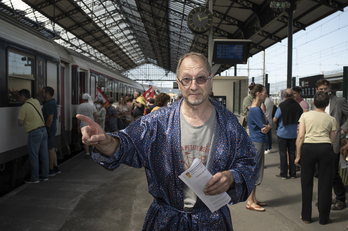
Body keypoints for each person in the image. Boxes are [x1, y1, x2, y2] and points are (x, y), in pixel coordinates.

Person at [77, 52, 258, 230]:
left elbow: (248, 162)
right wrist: (105, 141)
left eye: (201, 78)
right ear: (178, 84)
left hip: (212, 222)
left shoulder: (228, 123)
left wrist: (231, 177)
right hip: (166, 221)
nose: (194, 86)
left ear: (210, 80)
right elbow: (128, 144)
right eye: (186, 79)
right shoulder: (157, 122)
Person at [295, 91, 336, 225]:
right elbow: (332, 140)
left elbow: (300, 136)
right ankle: (324, 218)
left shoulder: (305, 115)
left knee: (306, 183)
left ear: (313, 102)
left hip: (308, 148)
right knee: (325, 184)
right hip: (325, 149)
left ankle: (306, 216)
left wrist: (298, 155)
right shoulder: (331, 119)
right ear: (327, 104)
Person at [316, 79, 348, 210]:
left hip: (335, 141)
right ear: (317, 90)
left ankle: (341, 199)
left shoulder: (339, 101)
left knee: (334, 172)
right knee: (323, 173)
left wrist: (343, 128)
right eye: (321, 89)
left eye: (325, 89)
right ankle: (326, 199)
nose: (323, 91)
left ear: (329, 89)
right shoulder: (316, 102)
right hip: (320, 141)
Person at [246, 84, 271, 212]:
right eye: (264, 92)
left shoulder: (255, 109)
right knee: (255, 170)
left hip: (256, 141)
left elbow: (265, 125)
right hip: (258, 142)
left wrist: (267, 125)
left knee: (255, 169)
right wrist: (268, 126)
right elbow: (265, 127)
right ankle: (250, 201)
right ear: (258, 94)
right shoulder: (256, 110)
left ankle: (253, 199)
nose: (266, 95)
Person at [17, 89, 49, 183]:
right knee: (44, 155)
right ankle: (45, 175)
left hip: (34, 133)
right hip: (43, 130)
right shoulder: (35, 101)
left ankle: (35, 178)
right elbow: (37, 98)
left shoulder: (24, 107)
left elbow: (20, 123)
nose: (18, 99)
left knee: (34, 156)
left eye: (19, 97)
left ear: (22, 96)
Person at [273, 89, 303, 179]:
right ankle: (293, 173)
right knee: (292, 153)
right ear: (292, 95)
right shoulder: (297, 106)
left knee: (283, 153)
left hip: (282, 133)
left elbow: (275, 119)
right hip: (293, 133)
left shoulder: (282, 105)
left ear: (284, 96)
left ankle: (284, 173)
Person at [40, 87, 60, 176]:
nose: (42, 94)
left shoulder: (49, 104)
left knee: (49, 149)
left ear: (47, 93)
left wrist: (46, 128)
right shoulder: (52, 102)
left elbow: (50, 119)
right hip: (52, 128)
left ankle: (50, 169)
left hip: (49, 129)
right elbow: (39, 100)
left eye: (43, 92)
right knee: (51, 148)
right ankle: (56, 167)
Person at [77, 93, 98, 158]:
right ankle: (94, 152)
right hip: (91, 124)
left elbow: (78, 117)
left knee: (85, 138)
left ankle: (87, 153)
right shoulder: (92, 105)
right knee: (92, 138)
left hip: (83, 124)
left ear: (83, 98)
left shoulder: (80, 106)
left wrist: (78, 126)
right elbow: (95, 115)